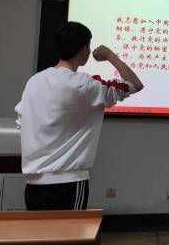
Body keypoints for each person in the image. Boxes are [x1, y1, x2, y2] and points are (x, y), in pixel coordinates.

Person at [15, 22, 144, 211]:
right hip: (68, 182)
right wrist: (110, 55)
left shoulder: (34, 82)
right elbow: (134, 84)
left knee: (39, 231)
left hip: (33, 183)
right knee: (70, 231)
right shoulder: (85, 85)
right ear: (84, 49)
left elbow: (21, 123)